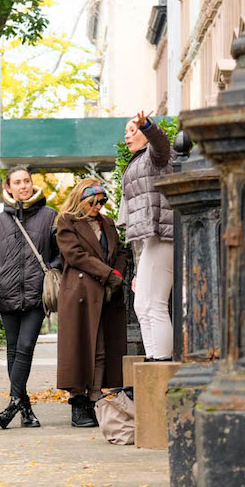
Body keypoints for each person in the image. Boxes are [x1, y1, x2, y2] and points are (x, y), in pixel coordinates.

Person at [0, 165, 59, 429]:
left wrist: (52, 271)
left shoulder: (49, 216)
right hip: (8, 296)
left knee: (25, 348)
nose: (24, 186)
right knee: (13, 352)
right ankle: (24, 409)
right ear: (8, 188)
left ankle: (13, 401)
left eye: (27, 181)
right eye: (18, 182)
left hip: (37, 296)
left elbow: (61, 253)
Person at [55, 179, 128, 427]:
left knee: (102, 349)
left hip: (107, 293)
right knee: (80, 347)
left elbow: (120, 253)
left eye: (101, 201)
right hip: (80, 293)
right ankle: (78, 400)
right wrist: (108, 274)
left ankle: (96, 396)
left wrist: (117, 275)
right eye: (93, 202)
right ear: (81, 200)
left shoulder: (107, 223)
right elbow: (75, 254)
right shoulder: (66, 221)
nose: (98, 206)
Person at [119, 110, 176, 361]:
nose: (128, 137)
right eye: (126, 133)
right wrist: (140, 265)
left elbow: (162, 144)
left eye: (133, 131)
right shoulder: (137, 162)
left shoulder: (155, 156)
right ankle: (152, 361)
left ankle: (161, 363)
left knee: (155, 305)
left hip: (163, 235)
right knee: (142, 306)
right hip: (149, 239)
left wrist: (149, 125)